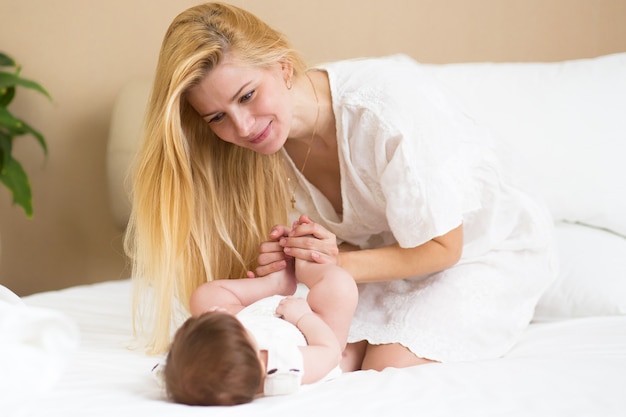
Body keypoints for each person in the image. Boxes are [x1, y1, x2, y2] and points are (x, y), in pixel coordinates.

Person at [126, 2, 559, 371]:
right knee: (325, 355)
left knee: (387, 364)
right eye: (217, 117)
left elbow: (445, 247)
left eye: (247, 96)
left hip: (482, 252)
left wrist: (334, 265)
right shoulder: (257, 155)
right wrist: (293, 261)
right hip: (385, 261)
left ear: (283, 66)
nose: (242, 126)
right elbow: (339, 251)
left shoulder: (385, 111)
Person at [162, 243, 357, 405]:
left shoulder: (219, 361)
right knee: (340, 287)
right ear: (257, 357)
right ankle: (308, 269)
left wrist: (215, 321)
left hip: (259, 317)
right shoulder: (285, 366)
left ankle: (275, 285)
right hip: (307, 328)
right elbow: (329, 352)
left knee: (204, 297)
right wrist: (303, 317)